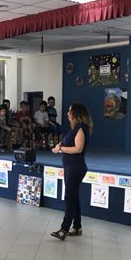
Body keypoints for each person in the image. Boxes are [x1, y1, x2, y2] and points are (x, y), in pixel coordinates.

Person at [51, 103, 92, 240]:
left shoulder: (81, 128)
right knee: (73, 197)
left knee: (69, 198)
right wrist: (61, 145)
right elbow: (70, 144)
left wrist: (60, 149)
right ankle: (77, 226)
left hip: (76, 168)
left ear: (76, 113)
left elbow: (78, 148)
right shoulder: (74, 128)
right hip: (70, 167)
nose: (68, 113)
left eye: (70, 111)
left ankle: (64, 229)